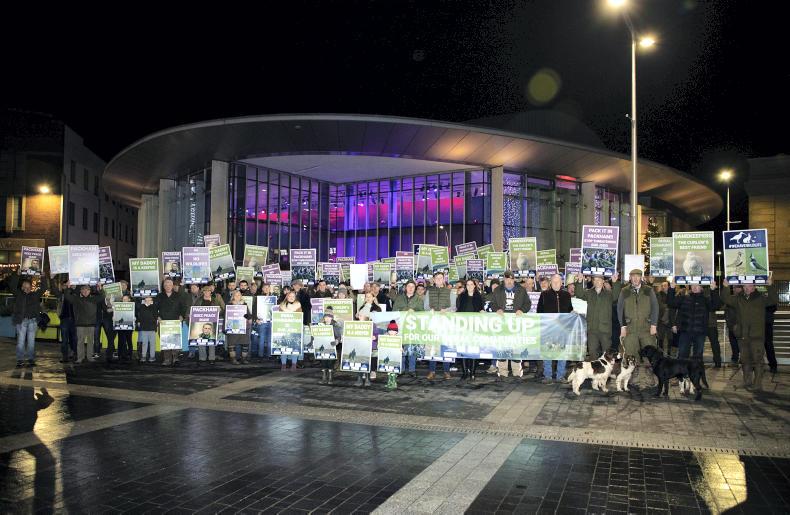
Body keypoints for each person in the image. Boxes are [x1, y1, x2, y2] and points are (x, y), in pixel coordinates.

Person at [720, 277, 778, 391]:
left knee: (758, 360)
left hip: (757, 335)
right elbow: (725, 298)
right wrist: (726, 287)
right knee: (745, 360)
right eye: (745, 286)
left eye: (749, 286)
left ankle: (757, 384)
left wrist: (770, 286)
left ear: (754, 286)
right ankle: (747, 381)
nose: (747, 288)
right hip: (742, 335)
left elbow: (773, 299)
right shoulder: (738, 298)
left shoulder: (761, 298)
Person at [617, 269, 659, 387]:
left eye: (637, 276)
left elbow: (655, 307)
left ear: (641, 278)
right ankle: (632, 375)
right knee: (630, 353)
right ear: (630, 278)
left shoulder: (648, 290)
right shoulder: (624, 291)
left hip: (646, 327)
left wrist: (654, 325)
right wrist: (623, 326)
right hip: (630, 328)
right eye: (633, 276)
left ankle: (650, 375)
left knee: (651, 352)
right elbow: (620, 310)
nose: (635, 279)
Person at [489, 271, 531, 380]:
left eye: (511, 279)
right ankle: (503, 373)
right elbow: (492, 303)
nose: (509, 281)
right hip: (502, 324)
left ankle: (517, 373)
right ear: (504, 279)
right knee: (502, 348)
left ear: (514, 279)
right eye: (507, 279)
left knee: (516, 348)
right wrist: (497, 309)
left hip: (516, 324)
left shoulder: (521, 290)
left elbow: (528, 304)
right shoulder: (498, 290)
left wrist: (522, 310)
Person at [666, 281, 720, 360]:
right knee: (682, 356)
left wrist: (713, 290)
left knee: (697, 358)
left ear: (701, 287)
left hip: (700, 333)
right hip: (685, 332)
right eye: (692, 285)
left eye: (697, 285)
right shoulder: (684, 298)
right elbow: (670, 303)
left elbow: (716, 306)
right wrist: (671, 288)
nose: (694, 287)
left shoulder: (705, 300)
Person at [54, 283, 105, 364]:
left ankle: (89, 357)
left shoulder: (94, 299)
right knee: (80, 342)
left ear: (90, 291)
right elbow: (67, 296)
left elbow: (102, 296)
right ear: (80, 291)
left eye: (87, 289)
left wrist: (100, 288)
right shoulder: (76, 299)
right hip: (80, 324)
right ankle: (80, 358)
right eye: (83, 289)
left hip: (91, 324)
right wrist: (69, 287)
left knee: (90, 342)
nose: (85, 291)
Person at [574, 272, 621, 359]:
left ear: (603, 281)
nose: (596, 282)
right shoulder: (589, 293)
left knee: (607, 354)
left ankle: (607, 368)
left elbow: (616, 295)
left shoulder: (609, 294)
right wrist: (580, 281)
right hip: (592, 329)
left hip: (605, 329)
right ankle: (594, 367)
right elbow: (579, 294)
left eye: (599, 280)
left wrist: (615, 282)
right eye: (594, 280)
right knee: (592, 353)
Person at [537, 273, 573, 384]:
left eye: (558, 282)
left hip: (562, 329)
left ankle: (560, 376)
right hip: (548, 329)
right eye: (554, 282)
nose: (556, 284)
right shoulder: (544, 295)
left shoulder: (567, 295)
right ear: (550, 283)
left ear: (562, 283)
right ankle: (548, 376)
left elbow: (570, 309)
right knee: (547, 352)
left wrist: (573, 312)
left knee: (562, 353)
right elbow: (539, 311)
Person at [9, 272, 49, 367]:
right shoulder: (18, 294)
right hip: (21, 321)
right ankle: (20, 360)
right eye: (24, 286)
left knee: (31, 342)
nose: (26, 288)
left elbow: (44, 287)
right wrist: (17, 275)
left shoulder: (35, 294)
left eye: (28, 286)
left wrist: (43, 277)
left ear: (31, 287)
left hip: (33, 321)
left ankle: (31, 359)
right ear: (22, 287)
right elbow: (12, 286)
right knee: (21, 342)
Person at [423, 271, 454, 380]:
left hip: (446, 322)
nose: (439, 280)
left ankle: (447, 371)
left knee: (445, 345)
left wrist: (446, 310)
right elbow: (425, 306)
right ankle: (432, 371)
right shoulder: (429, 291)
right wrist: (429, 309)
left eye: (441, 278)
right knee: (432, 346)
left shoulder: (449, 292)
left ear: (444, 279)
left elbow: (454, 307)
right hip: (433, 322)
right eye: (437, 278)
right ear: (434, 280)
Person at [392, 280, 424, 377]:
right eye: (409, 286)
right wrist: (405, 310)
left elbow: (422, 312)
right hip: (401, 326)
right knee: (400, 347)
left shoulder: (419, 299)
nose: (410, 288)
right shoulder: (399, 298)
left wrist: (414, 311)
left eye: (412, 287)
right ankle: (400, 369)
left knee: (412, 348)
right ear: (405, 287)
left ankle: (412, 370)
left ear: (415, 289)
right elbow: (394, 311)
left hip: (413, 327)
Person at [456, 278, 484, 381]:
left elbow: (481, 308)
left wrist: (482, 311)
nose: (469, 286)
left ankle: (472, 372)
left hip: (475, 327)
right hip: (463, 327)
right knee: (463, 349)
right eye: (467, 285)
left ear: (474, 286)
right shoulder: (461, 296)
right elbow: (458, 310)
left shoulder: (479, 297)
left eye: (471, 284)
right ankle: (464, 372)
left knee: (473, 350)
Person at [157, 278, 188, 366]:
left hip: (176, 321)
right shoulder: (159, 296)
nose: (168, 286)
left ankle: (175, 358)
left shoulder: (178, 295)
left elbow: (184, 307)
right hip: (163, 322)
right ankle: (167, 359)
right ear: (164, 286)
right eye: (166, 285)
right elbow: (155, 308)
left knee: (175, 340)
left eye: (170, 285)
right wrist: (158, 316)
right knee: (165, 340)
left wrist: (182, 315)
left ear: (172, 286)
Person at [196, 286, 224, 365]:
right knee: (201, 340)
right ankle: (202, 358)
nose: (207, 292)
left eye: (208, 291)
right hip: (201, 322)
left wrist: (220, 310)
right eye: (205, 291)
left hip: (213, 322)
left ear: (211, 292)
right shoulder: (199, 300)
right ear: (203, 292)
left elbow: (222, 309)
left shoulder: (215, 300)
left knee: (212, 340)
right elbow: (193, 309)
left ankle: (212, 358)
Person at [226, 290, 252, 364]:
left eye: (239, 295)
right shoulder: (229, 305)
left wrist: (249, 318)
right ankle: (233, 359)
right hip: (232, 326)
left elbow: (247, 315)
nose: (237, 296)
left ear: (241, 296)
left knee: (245, 343)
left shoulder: (244, 304)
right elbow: (226, 315)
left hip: (243, 326)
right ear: (233, 296)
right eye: (236, 295)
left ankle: (243, 359)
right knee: (231, 343)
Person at [278, 290, 302, 371]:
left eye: (293, 296)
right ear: (287, 297)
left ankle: (294, 364)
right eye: (290, 296)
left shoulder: (298, 306)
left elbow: (299, 317)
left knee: (294, 346)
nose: (291, 298)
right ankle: (283, 364)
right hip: (284, 329)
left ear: (295, 298)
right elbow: (279, 317)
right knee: (283, 346)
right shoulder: (281, 306)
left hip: (294, 329)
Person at [56, 278, 77, 363]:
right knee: (64, 339)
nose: (66, 286)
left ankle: (74, 353)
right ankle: (65, 356)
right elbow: (54, 290)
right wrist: (52, 278)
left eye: (68, 285)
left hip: (74, 319)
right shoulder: (61, 295)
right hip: (64, 319)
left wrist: (73, 288)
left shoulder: (74, 294)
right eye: (65, 285)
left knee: (74, 338)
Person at [317, 312, 341, 385]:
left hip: (331, 347)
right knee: (323, 362)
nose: (327, 318)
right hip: (323, 347)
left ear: (331, 318)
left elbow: (338, 337)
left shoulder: (335, 326)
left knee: (330, 362)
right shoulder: (321, 326)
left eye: (328, 317)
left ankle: (330, 378)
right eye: (325, 317)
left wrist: (336, 341)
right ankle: (324, 378)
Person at [137, 295, 158, 362]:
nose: (148, 301)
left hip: (152, 328)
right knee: (144, 343)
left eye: (149, 300)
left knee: (152, 343)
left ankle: (152, 356)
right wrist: (138, 322)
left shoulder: (154, 307)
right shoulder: (141, 307)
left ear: (152, 301)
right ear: (144, 301)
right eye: (147, 300)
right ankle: (143, 356)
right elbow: (139, 316)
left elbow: (156, 317)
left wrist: (155, 326)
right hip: (144, 328)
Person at [724, 285, 742, 363]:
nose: (734, 289)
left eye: (736, 287)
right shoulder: (730, 299)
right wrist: (728, 322)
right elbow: (726, 312)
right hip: (731, 325)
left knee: (741, 343)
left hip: (740, 326)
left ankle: (741, 358)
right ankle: (735, 358)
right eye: (734, 288)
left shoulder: (744, 299)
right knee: (733, 343)